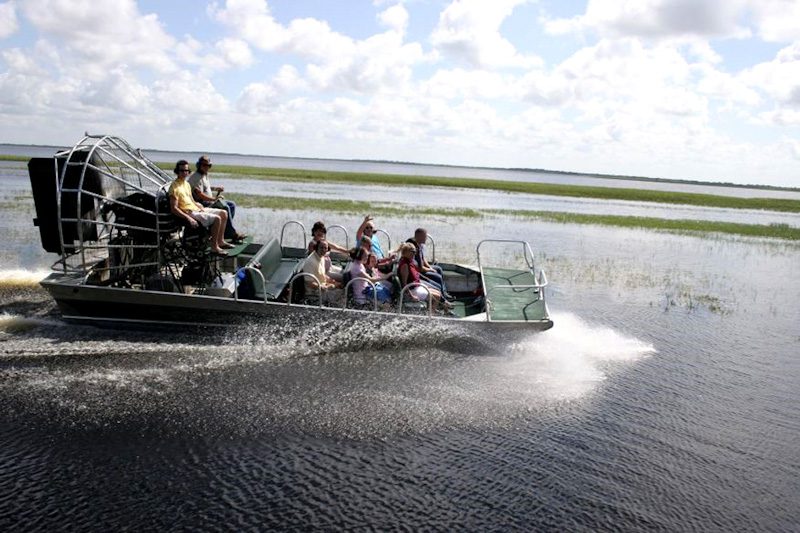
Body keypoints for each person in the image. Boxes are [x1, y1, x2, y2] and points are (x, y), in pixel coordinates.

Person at [168, 160, 232, 255]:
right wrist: (189, 218)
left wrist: (198, 204)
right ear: (177, 171)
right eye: (182, 170)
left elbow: (191, 199)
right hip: (189, 212)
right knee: (217, 219)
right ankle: (214, 247)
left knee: (224, 213)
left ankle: (220, 241)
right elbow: (174, 208)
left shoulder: (186, 184)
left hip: (196, 209)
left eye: (186, 170)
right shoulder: (174, 187)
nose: (185, 173)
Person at [188, 155, 246, 243]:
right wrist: (214, 199)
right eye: (204, 165)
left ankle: (225, 230)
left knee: (232, 205)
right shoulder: (195, 177)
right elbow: (200, 195)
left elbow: (206, 188)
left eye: (209, 166)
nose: (207, 167)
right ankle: (231, 233)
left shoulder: (203, 175)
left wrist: (216, 188)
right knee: (225, 207)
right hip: (202, 203)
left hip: (208, 201)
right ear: (199, 165)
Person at [397, 242, 450, 309]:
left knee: (438, 293)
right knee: (437, 296)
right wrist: (412, 296)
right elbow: (404, 283)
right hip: (412, 290)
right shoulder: (405, 265)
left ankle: (434, 310)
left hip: (417, 286)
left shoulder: (410, 262)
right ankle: (431, 315)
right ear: (406, 252)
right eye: (412, 251)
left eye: (415, 251)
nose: (414, 253)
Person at [406, 227, 453, 300]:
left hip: (421, 269)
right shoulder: (413, 248)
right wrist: (430, 270)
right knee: (438, 278)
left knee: (438, 269)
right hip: (419, 272)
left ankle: (444, 293)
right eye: (424, 236)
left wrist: (430, 267)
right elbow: (420, 268)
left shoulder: (419, 245)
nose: (426, 238)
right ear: (419, 236)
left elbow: (423, 258)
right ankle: (442, 299)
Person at [302, 240, 343, 305]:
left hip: (324, 285)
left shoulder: (321, 257)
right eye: (321, 247)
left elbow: (322, 274)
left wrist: (332, 281)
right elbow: (309, 283)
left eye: (325, 248)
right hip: (314, 293)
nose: (323, 250)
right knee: (342, 294)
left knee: (342, 286)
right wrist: (322, 287)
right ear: (316, 248)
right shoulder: (310, 262)